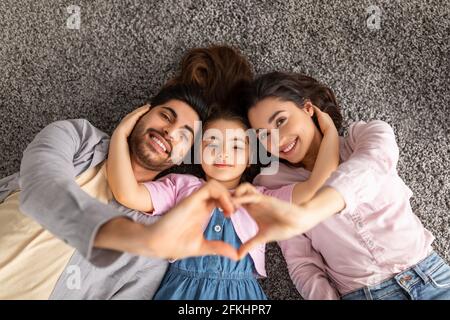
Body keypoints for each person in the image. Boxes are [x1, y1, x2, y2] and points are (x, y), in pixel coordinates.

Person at [0, 45, 251, 299]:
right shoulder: (79, 139)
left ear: (185, 157)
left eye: (184, 135)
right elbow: (41, 188)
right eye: (166, 116)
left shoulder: (153, 253)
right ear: (143, 111)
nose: (170, 132)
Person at [231, 71, 450, 300]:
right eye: (263, 134)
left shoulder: (364, 136)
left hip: (432, 277)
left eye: (281, 121)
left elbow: (368, 169)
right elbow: (302, 263)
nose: (277, 139)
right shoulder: (272, 184)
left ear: (308, 109)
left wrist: (308, 212)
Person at [105, 94, 339, 299]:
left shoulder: (260, 198)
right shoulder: (180, 186)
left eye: (237, 146)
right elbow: (126, 193)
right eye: (212, 143)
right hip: (181, 290)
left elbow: (314, 188)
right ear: (197, 152)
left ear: (250, 158)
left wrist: (330, 133)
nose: (223, 153)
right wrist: (121, 133)